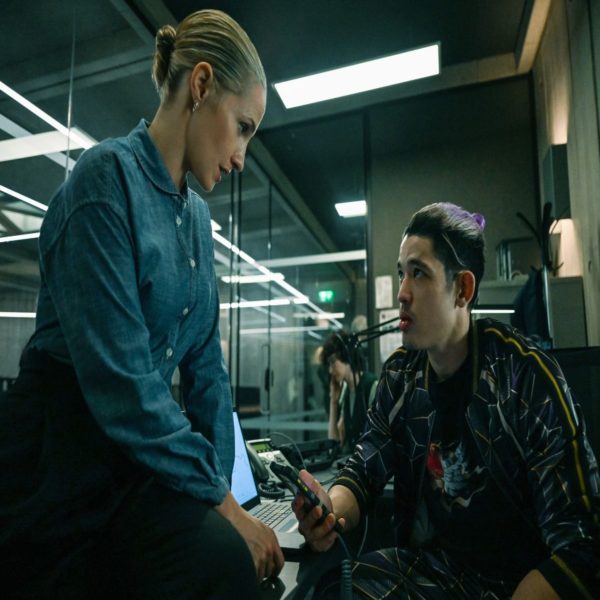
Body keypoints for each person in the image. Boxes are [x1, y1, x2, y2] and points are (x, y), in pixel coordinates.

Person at [0, 9, 283, 599]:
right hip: (59, 459)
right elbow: (125, 385)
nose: (240, 157)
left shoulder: (196, 220)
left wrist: (233, 502)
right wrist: (223, 505)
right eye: (242, 127)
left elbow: (207, 375)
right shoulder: (105, 180)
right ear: (200, 85)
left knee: (226, 559)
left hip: (131, 462)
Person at [293, 203, 600, 599]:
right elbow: (364, 470)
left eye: (419, 273)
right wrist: (328, 510)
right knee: (331, 588)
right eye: (401, 273)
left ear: (462, 289)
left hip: (520, 583)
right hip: (434, 573)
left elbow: (582, 542)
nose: (402, 292)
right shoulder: (400, 376)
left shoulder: (523, 375)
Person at [320, 331, 378, 453]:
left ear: (347, 357)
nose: (330, 370)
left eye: (333, 362)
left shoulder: (372, 386)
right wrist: (333, 402)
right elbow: (334, 444)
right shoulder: (345, 392)